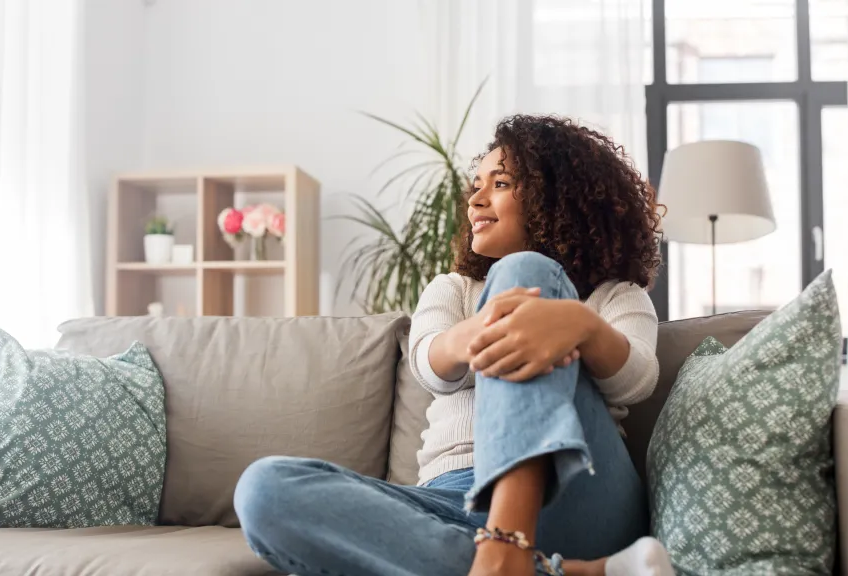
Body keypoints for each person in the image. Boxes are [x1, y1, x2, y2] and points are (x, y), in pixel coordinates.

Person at [234, 115, 675, 576]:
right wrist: (478, 332)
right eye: (476, 186)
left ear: (557, 195)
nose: (475, 200)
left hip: (577, 491)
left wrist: (581, 325)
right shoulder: (453, 289)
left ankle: (507, 541)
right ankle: (560, 570)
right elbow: (429, 365)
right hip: (452, 504)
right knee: (264, 489)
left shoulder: (615, 295)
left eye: (500, 183)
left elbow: (637, 380)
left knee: (524, 271)